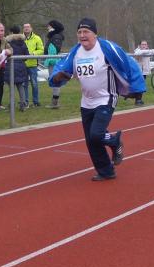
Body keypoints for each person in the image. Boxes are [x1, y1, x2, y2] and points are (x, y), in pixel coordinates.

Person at [49, 17, 145, 181]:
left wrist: (137, 89)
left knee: (96, 134)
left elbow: (129, 64)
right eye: (79, 32)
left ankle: (114, 141)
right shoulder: (76, 51)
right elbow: (62, 67)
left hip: (106, 98)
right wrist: (57, 77)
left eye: (86, 32)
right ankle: (106, 171)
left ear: (95, 33)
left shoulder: (107, 48)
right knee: (91, 140)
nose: (82, 35)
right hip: (86, 101)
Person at [4, 25, 30, 111]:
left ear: (11, 32)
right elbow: (27, 56)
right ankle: (23, 104)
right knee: (20, 86)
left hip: (10, 65)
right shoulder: (23, 42)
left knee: (11, 87)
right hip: (21, 66)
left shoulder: (8, 42)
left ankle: (12, 105)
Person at [132, 40, 154, 106]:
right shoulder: (138, 50)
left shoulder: (148, 51)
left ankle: (139, 99)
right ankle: (138, 100)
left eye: (145, 44)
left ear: (147, 45)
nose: (144, 46)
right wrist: (150, 51)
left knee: (141, 86)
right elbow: (138, 53)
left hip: (144, 72)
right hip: (139, 72)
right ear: (140, 45)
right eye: (142, 44)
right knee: (140, 86)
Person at [43, 20, 65, 109]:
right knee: (54, 80)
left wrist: (49, 58)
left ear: (53, 27)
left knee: (55, 81)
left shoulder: (56, 36)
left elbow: (55, 49)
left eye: (49, 26)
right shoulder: (53, 36)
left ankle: (55, 102)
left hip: (53, 61)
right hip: (52, 61)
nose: (48, 27)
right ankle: (55, 102)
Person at [22, 23, 44, 107]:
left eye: (28, 27)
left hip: (33, 65)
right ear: (23, 29)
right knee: (24, 85)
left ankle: (36, 101)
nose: (26, 28)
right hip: (23, 65)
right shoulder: (20, 38)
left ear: (31, 28)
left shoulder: (37, 38)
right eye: (25, 27)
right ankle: (25, 102)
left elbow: (41, 50)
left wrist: (33, 54)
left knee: (34, 84)